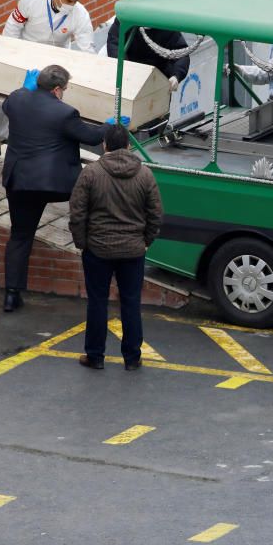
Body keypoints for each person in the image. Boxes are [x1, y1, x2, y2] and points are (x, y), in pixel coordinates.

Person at [0, 65, 106, 312]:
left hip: (20, 182)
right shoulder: (65, 113)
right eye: (65, 89)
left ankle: (11, 294)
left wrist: (23, 89)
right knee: (89, 214)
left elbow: (8, 105)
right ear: (57, 90)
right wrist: (110, 126)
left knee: (20, 236)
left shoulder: (17, 99)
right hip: (55, 185)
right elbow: (91, 137)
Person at [68, 124, 163, 371]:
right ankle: (132, 357)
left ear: (104, 145)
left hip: (97, 249)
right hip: (133, 251)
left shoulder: (91, 173)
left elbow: (77, 212)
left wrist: (82, 243)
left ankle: (95, 356)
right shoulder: (145, 175)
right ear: (130, 146)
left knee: (97, 301)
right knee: (131, 302)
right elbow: (156, 214)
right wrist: (146, 241)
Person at [0, 0, 95, 158]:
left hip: (55, 63)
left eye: (74, 2)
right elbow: (12, 27)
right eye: (68, 0)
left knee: (52, 108)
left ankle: (44, 149)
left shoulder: (80, 14)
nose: (70, 6)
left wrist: (89, 74)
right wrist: (7, 59)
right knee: (7, 101)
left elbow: (87, 48)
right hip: (25, 55)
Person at [107, 22, 190, 92]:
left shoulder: (166, 25)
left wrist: (176, 75)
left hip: (157, 82)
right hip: (128, 80)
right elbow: (114, 42)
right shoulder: (126, 19)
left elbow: (181, 53)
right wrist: (125, 70)